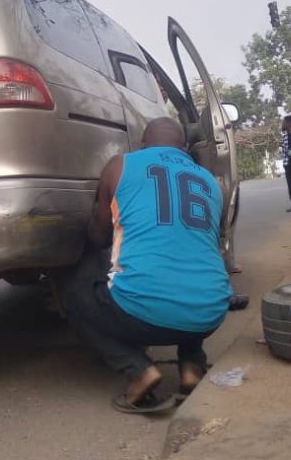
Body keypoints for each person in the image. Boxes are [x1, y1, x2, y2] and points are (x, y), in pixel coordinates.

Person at [63, 117, 231, 414]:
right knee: (189, 279)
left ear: (142, 144)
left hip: (140, 314)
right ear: (183, 147)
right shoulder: (211, 182)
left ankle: (138, 369)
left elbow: (99, 236)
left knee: (75, 292)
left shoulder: (120, 166)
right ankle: (192, 367)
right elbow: (211, 242)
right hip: (211, 312)